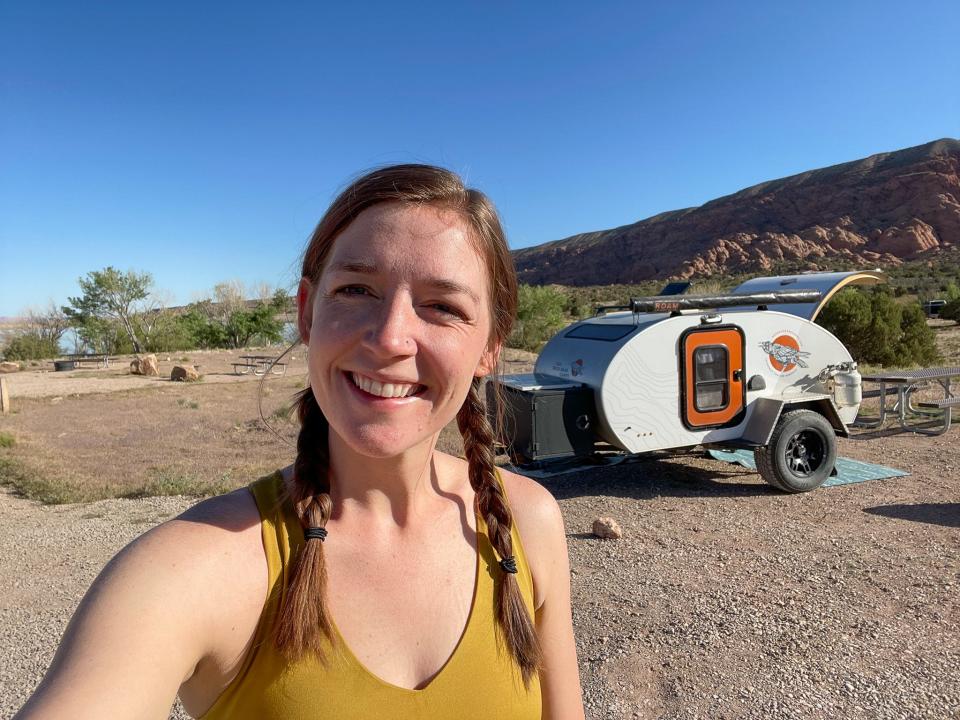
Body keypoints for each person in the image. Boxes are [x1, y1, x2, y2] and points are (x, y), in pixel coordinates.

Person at [14, 164, 585, 719]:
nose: (389, 338)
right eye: (357, 289)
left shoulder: (528, 522)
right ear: (308, 314)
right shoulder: (197, 566)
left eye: (442, 306)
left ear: (489, 347)